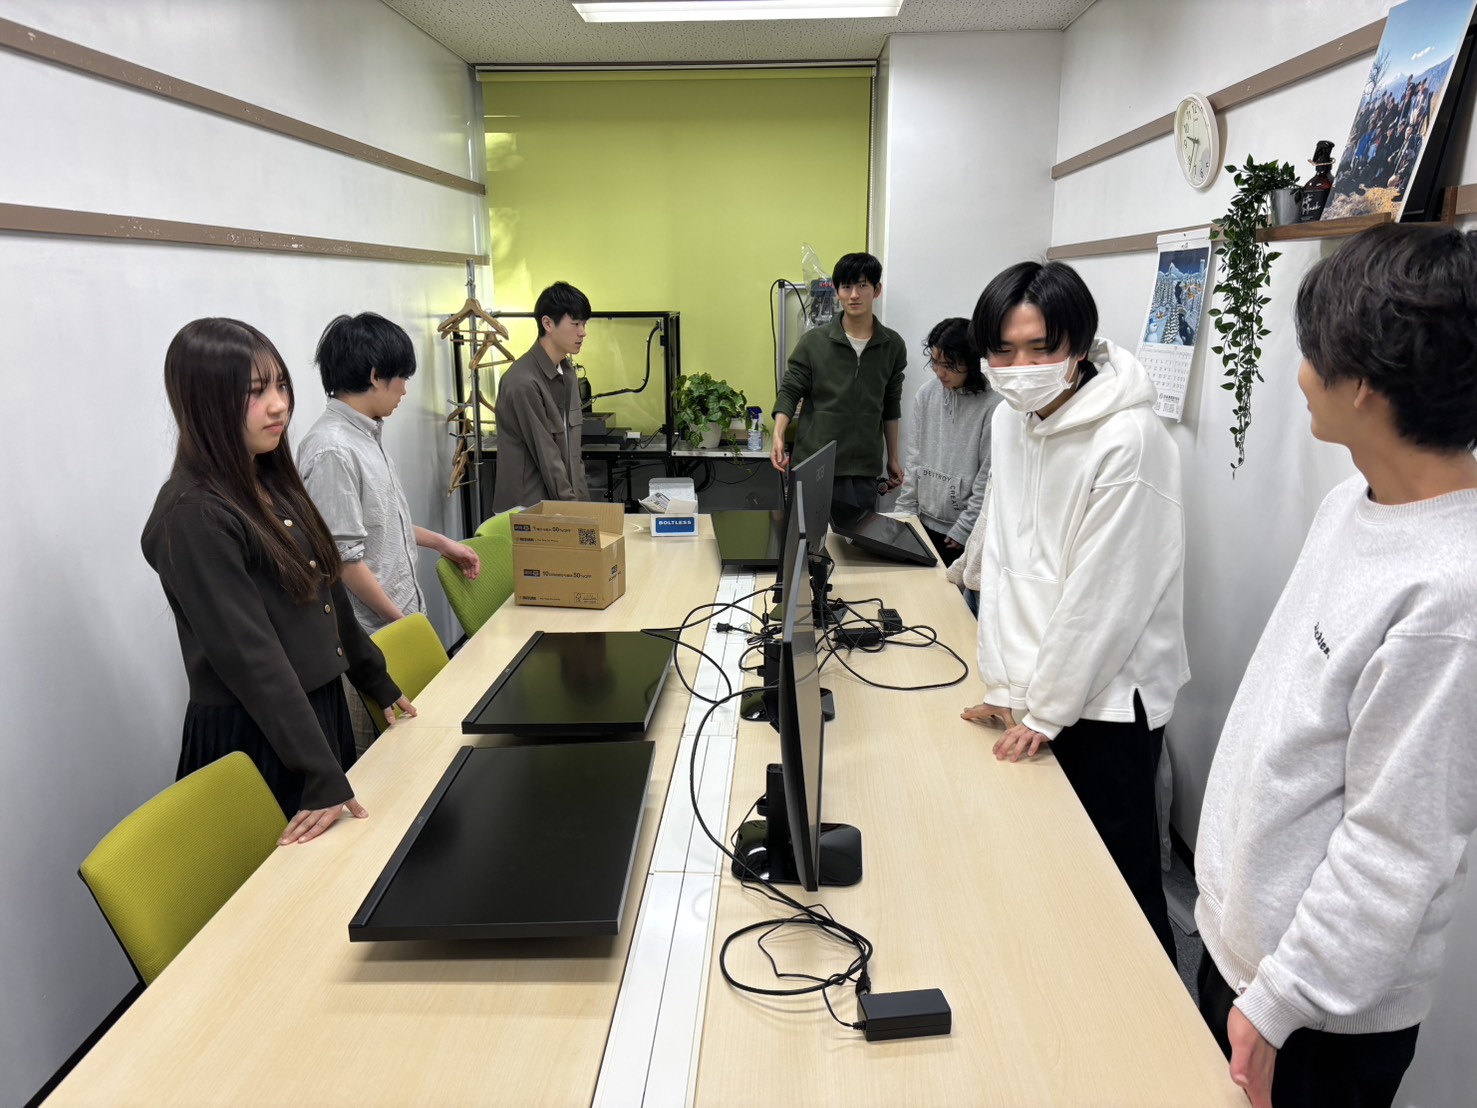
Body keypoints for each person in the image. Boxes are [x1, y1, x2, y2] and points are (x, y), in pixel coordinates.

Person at [1194, 224, 1477, 1108]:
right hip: (1244, 954)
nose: (1299, 374)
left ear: (1363, 386)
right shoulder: (1350, 502)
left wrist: (1279, 1001)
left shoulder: (1450, 595)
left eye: (1311, 354)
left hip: (1310, 1013)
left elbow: (1398, 844)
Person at [960, 260, 1186, 964]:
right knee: (1047, 872)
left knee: (1117, 886)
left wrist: (1044, 709)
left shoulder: (1129, 439)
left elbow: (1104, 600)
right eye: (1002, 350)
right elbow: (1006, 558)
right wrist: (1006, 685)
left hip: (1108, 704)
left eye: (1040, 348)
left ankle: (1156, 1013)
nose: (1019, 368)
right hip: (1042, 696)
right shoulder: (1010, 420)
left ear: (1079, 346)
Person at [141, 318, 416, 845]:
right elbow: (252, 657)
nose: (279, 406)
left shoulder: (269, 478)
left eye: (281, 386)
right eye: (255, 392)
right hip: (261, 733)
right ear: (204, 401)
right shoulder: (193, 513)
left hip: (313, 714)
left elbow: (329, 590)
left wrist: (374, 677)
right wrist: (318, 771)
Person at [297, 313, 480, 752]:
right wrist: (404, 625)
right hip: (370, 638)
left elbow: (382, 523)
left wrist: (441, 543)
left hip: (394, 626)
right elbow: (344, 562)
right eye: (402, 379)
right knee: (381, 757)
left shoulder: (365, 436)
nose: (405, 391)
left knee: (415, 745)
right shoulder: (332, 449)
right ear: (376, 375)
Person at [771, 252, 907, 511]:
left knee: (856, 536)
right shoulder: (813, 342)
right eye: (846, 286)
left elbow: (891, 404)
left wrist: (893, 457)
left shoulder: (892, 346)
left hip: (863, 470)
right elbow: (790, 391)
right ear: (837, 291)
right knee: (808, 535)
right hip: (814, 463)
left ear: (877, 290)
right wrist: (778, 436)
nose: (854, 295)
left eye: (862, 285)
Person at [895, 317, 1001, 566]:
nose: (939, 372)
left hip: (962, 533)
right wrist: (903, 513)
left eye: (949, 365)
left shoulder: (994, 404)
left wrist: (966, 526)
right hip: (922, 521)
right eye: (935, 362)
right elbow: (914, 459)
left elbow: (988, 476)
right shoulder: (927, 394)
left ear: (972, 363)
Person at [492, 281, 592, 513]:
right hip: (527, 510)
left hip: (561, 505)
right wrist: (576, 511)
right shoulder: (522, 382)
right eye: (575, 323)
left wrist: (586, 507)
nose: (582, 332)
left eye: (584, 323)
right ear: (547, 323)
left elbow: (573, 455)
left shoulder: (567, 373)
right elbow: (548, 457)